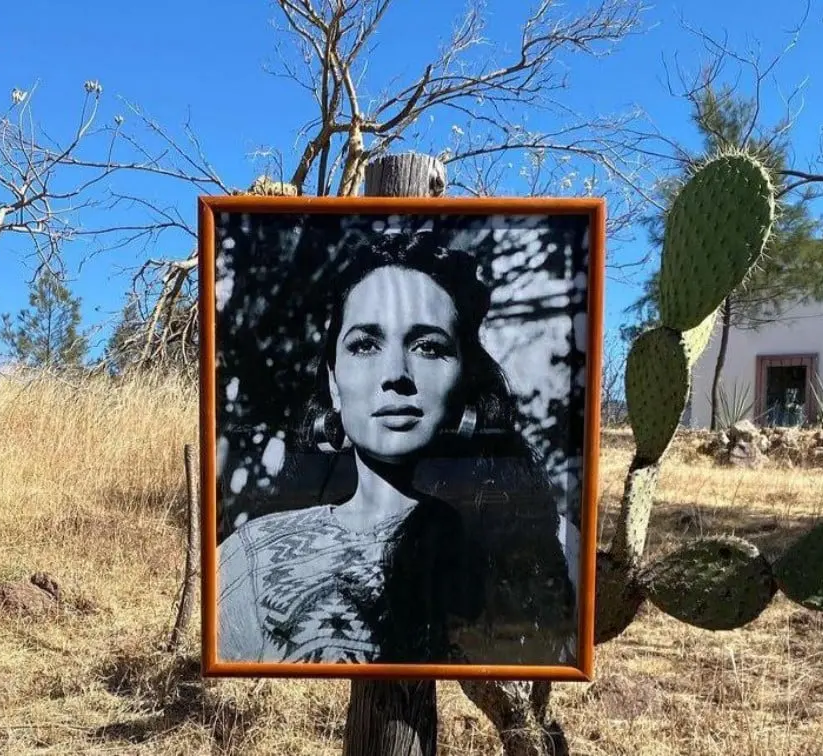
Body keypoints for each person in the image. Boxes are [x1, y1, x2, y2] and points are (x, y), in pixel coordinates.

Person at [215, 230, 579, 666]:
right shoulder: (249, 557)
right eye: (365, 345)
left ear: (465, 378)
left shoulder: (547, 540)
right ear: (333, 380)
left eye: (428, 347)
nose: (396, 374)